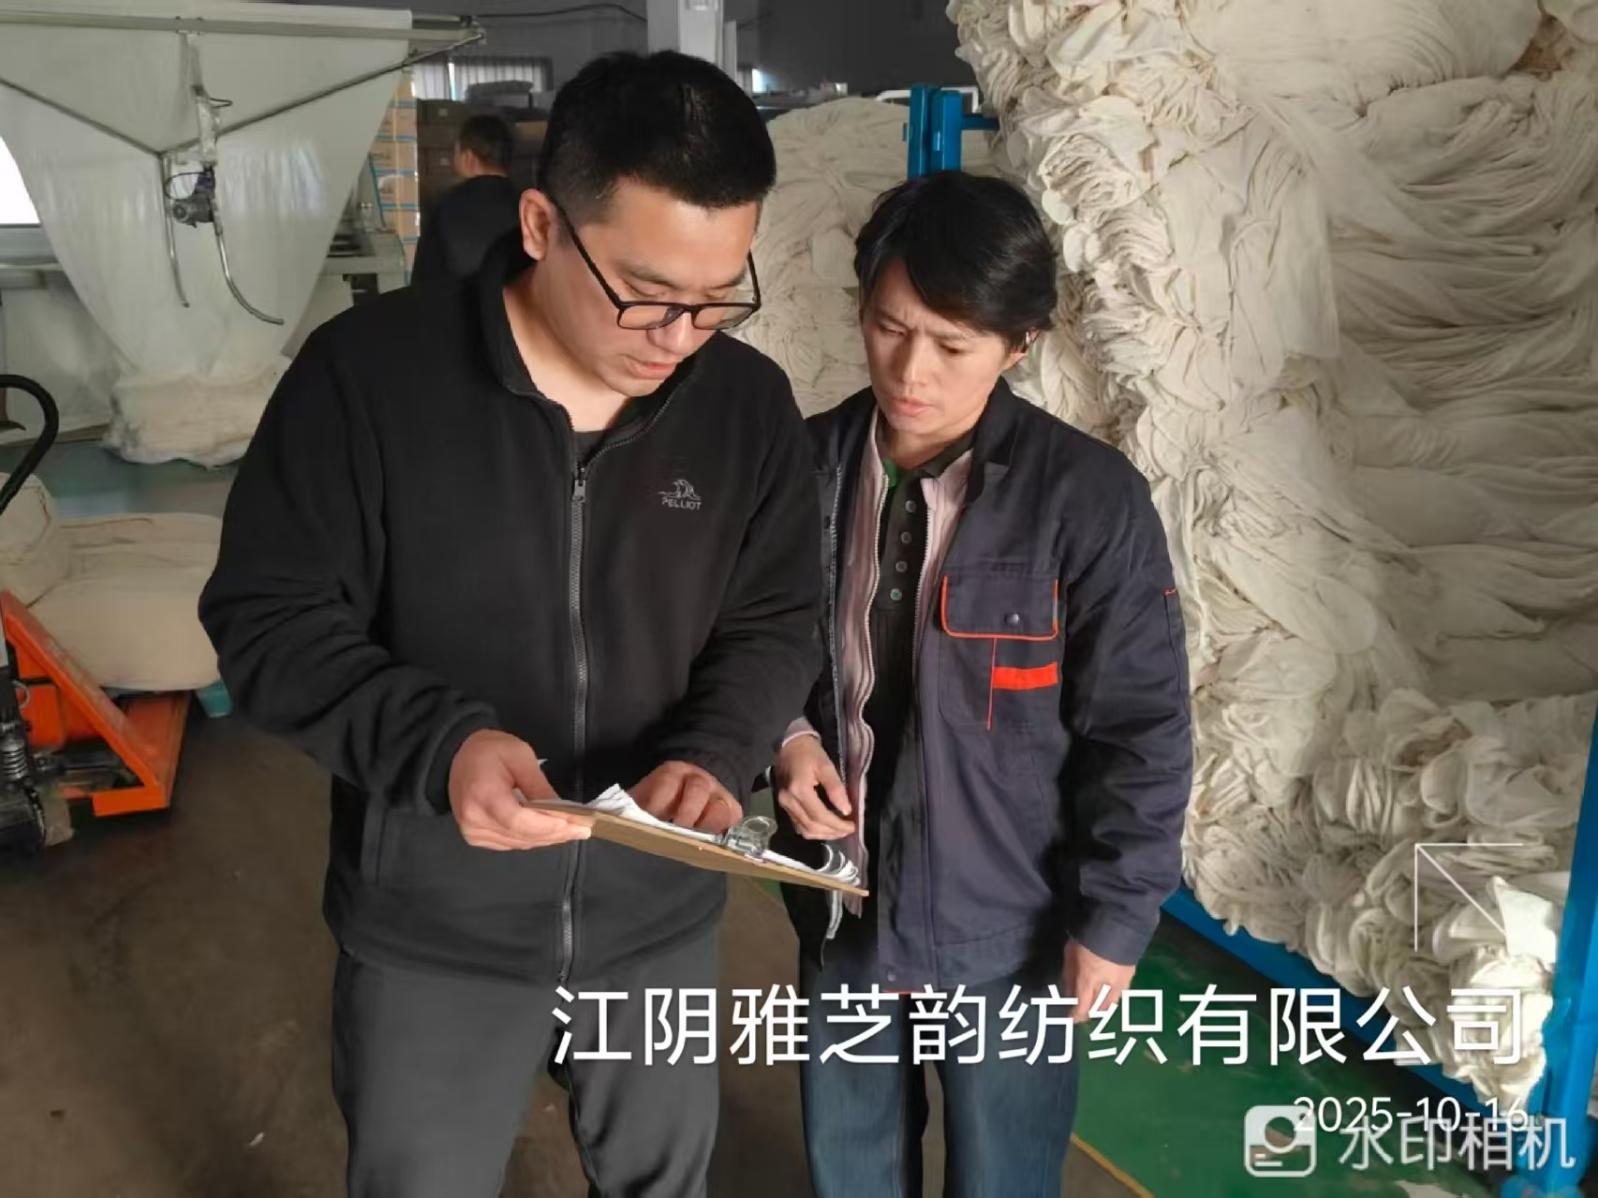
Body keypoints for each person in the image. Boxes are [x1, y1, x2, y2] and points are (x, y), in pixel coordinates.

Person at [200, 51, 821, 1198]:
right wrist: (442, 746)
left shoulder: (744, 407)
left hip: (656, 923)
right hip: (436, 926)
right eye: (645, 292)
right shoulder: (369, 381)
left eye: (715, 297)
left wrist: (718, 747)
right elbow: (268, 617)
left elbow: (777, 613)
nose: (678, 335)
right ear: (540, 224)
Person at [770, 171, 1193, 1197]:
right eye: (888, 327)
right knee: (850, 1165)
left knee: (1003, 1173)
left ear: (1019, 344)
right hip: (841, 904)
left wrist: (1113, 919)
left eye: (952, 345)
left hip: (1009, 930)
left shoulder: (1086, 502)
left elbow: (1140, 729)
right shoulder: (801, 469)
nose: (910, 370)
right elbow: (751, 642)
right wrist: (785, 739)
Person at [409, 112, 520, 286]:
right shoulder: (527, 206)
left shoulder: (445, 208)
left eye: (456, 151)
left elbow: (424, 280)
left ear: (468, 158)